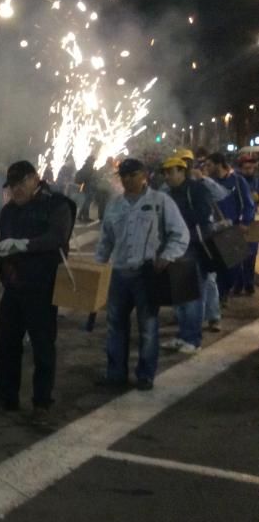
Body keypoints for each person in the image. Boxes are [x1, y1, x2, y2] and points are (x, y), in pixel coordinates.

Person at [0, 161, 75, 424]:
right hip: (13, 287)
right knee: (6, 345)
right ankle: (7, 396)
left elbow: (57, 238)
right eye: (11, 185)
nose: (16, 190)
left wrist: (25, 244)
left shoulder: (57, 205)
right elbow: (4, 239)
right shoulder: (10, 211)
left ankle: (42, 403)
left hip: (41, 288)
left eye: (20, 183)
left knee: (42, 346)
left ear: (35, 178)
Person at [95, 158, 189, 391]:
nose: (127, 180)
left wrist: (167, 256)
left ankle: (145, 375)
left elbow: (180, 233)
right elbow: (106, 240)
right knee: (115, 326)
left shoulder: (160, 201)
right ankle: (115, 374)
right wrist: (99, 265)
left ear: (143, 175)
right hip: (119, 274)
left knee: (147, 326)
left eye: (132, 175)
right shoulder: (115, 205)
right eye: (124, 176)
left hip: (147, 273)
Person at [160, 157, 213, 354]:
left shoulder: (196, 189)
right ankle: (183, 335)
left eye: (171, 171)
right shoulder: (168, 192)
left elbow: (203, 214)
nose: (167, 176)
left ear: (182, 171)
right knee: (179, 295)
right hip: (175, 249)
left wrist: (176, 220)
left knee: (192, 296)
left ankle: (193, 339)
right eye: (165, 172)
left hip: (194, 247)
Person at [204, 152, 256, 301]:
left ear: (218, 164)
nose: (206, 168)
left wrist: (245, 222)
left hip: (233, 229)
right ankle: (221, 296)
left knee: (233, 264)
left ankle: (230, 288)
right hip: (214, 229)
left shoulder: (237, 181)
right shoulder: (209, 183)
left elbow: (248, 204)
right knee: (218, 266)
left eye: (209, 165)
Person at [236, 154, 258, 294]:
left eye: (251, 168)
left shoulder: (256, 181)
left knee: (251, 254)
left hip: (254, 222)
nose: (249, 170)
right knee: (238, 255)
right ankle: (238, 284)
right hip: (239, 221)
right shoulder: (237, 181)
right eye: (246, 168)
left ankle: (248, 283)